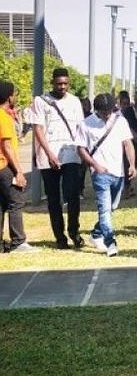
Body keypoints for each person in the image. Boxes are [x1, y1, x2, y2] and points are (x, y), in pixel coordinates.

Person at [27, 68, 86, 249]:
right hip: (48, 157)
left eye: (65, 83)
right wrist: (49, 154)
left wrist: (82, 152)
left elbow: (80, 129)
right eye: (59, 83)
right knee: (54, 200)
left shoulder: (75, 101)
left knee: (73, 196)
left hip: (71, 155)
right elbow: (38, 130)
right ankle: (60, 237)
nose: (62, 87)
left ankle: (74, 233)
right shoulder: (41, 101)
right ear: (52, 82)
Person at [75, 93, 136, 258]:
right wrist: (95, 165)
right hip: (100, 173)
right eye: (104, 111)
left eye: (110, 110)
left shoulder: (120, 121)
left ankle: (96, 233)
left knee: (111, 207)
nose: (107, 114)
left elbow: (127, 143)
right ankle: (110, 242)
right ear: (97, 110)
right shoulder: (86, 124)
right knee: (104, 209)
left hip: (119, 172)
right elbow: (81, 149)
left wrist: (131, 164)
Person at [0, 81, 34, 253]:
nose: (16, 97)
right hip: (4, 166)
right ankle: (18, 242)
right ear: (9, 96)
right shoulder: (4, 117)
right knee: (16, 201)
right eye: (14, 94)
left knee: (1, 204)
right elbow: (7, 147)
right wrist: (19, 171)